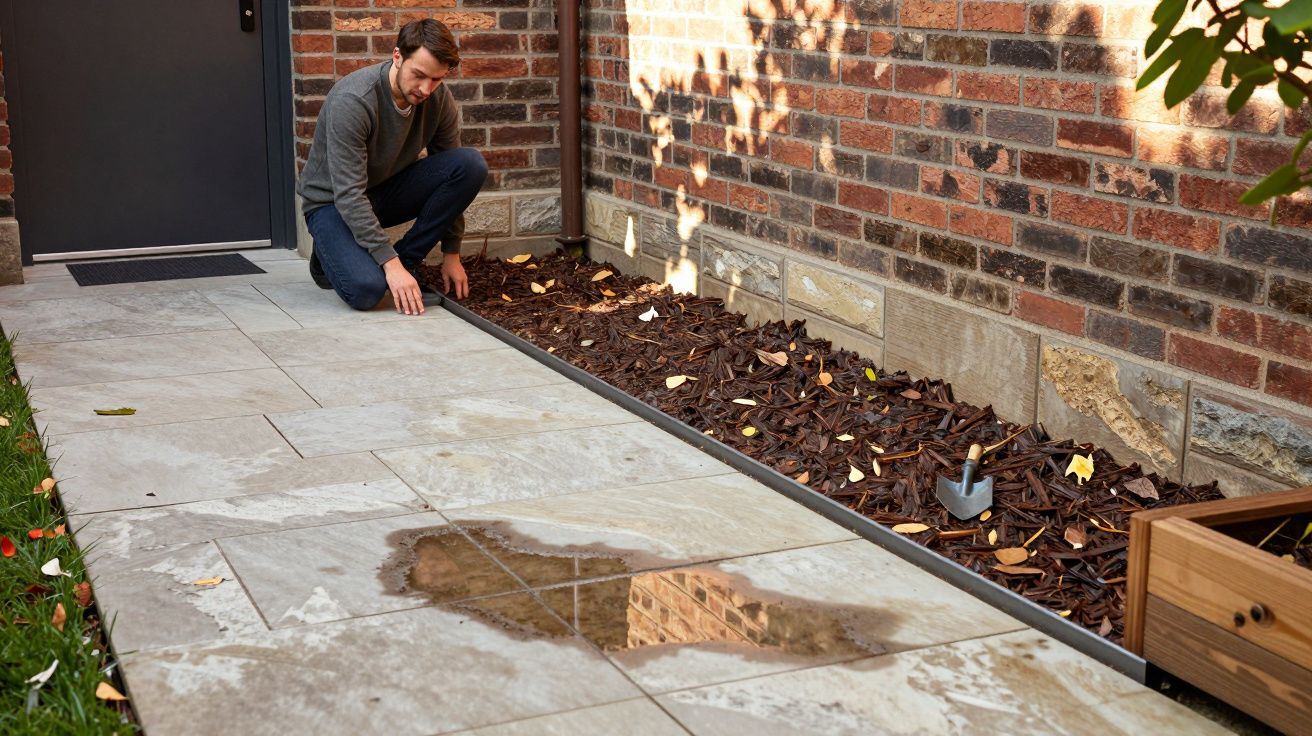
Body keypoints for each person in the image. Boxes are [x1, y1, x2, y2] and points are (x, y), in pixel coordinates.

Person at [297, 19, 488, 315]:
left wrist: (452, 252)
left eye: (437, 79)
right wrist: (389, 264)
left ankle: (406, 261)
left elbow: (453, 171)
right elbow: (349, 195)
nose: (426, 89)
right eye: (419, 75)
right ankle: (328, 253)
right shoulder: (354, 101)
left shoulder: (437, 98)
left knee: (469, 164)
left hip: (384, 192)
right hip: (331, 203)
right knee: (366, 291)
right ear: (397, 56)